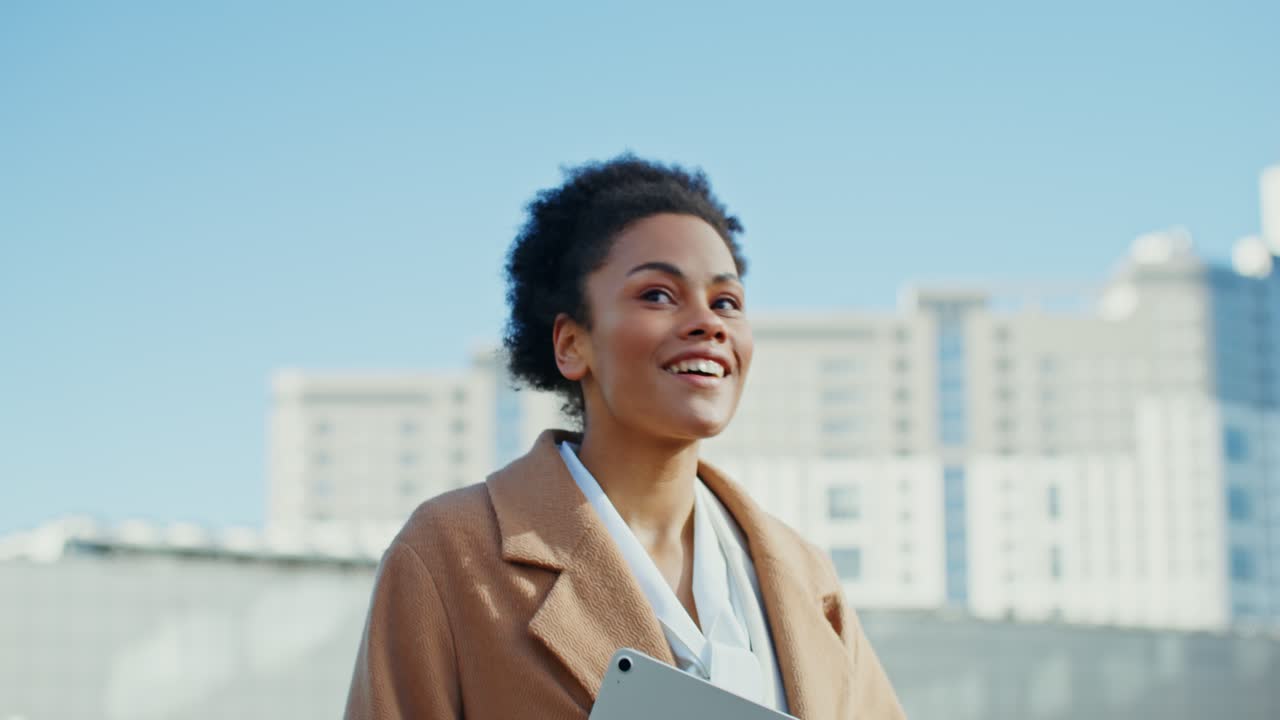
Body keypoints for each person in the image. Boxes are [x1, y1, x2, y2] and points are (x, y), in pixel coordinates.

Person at [344, 155, 905, 719]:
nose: (707, 322)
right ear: (571, 344)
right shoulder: (451, 552)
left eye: (726, 302)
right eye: (658, 295)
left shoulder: (806, 578)